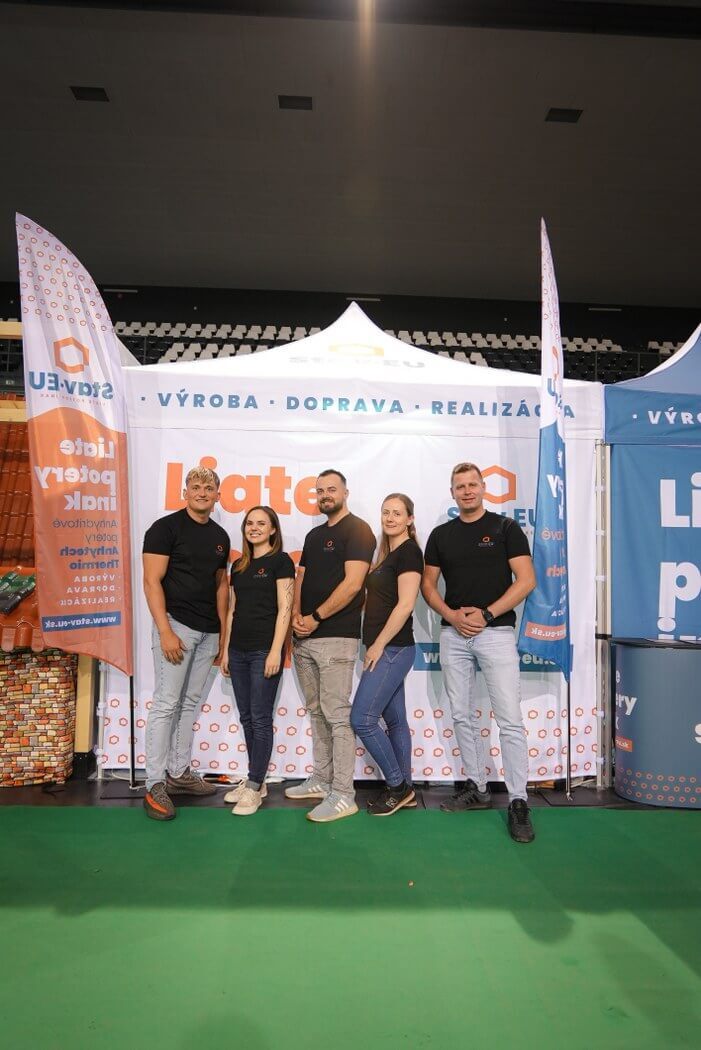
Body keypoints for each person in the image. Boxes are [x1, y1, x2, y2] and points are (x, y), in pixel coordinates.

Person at [421, 462, 537, 843]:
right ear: (452, 492)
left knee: (510, 720)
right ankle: (477, 786)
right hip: (453, 634)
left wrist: (486, 614)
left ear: (484, 487)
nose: (467, 491)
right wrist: (452, 615)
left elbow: (526, 580)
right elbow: (428, 586)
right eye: (460, 486)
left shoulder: (505, 528)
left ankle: (518, 800)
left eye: (473, 484)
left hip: (496, 633)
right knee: (461, 714)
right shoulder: (441, 535)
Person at [142, 466, 231, 820]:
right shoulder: (164, 529)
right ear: (185, 492)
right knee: (166, 703)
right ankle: (154, 783)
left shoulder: (221, 536)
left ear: (217, 495)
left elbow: (221, 585)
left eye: (208, 488)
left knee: (189, 703)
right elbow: (151, 582)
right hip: (176, 627)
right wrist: (165, 630)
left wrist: (222, 634)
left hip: (209, 633)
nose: (202, 492)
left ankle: (179, 773)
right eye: (196, 486)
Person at [287, 469, 376, 822]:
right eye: (320, 490)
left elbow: (353, 585)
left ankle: (343, 794)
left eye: (331, 489)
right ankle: (322, 780)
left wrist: (316, 617)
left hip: (336, 636)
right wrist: (297, 616)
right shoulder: (314, 535)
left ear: (345, 492)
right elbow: (301, 578)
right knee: (316, 711)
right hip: (304, 636)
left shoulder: (359, 530)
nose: (325, 495)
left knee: (337, 716)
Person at [350, 493, 424, 816]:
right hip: (389, 648)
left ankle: (397, 786)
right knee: (394, 720)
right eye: (386, 512)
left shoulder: (409, 553)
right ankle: (406, 788)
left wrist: (378, 644)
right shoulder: (388, 555)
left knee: (362, 719)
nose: (390, 518)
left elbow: (405, 605)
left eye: (397, 513)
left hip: (392, 649)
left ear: (409, 519)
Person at [220, 506, 295, 815]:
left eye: (261, 523)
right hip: (238, 650)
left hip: (264, 651)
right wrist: (226, 649)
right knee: (247, 717)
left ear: (273, 529)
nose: (254, 528)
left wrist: (277, 650)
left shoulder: (281, 562)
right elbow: (232, 610)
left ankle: (253, 786)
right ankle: (257, 780)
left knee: (261, 718)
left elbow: (285, 609)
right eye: (249, 523)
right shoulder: (239, 566)